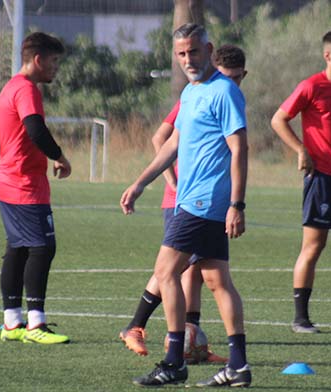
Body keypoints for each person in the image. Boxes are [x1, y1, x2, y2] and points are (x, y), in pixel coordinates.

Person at [120, 24, 251, 387]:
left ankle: (174, 361)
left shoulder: (224, 91)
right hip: (194, 200)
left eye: (193, 52)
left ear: (208, 50)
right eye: (180, 54)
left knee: (165, 273)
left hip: (203, 201)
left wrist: (236, 204)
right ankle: (238, 366)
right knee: (217, 281)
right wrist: (140, 182)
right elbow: (172, 144)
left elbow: (239, 148)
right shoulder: (192, 93)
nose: (187, 60)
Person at [270, 29, 331, 334]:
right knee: (314, 246)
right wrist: (301, 150)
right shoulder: (312, 86)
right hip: (321, 178)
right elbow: (278, 119)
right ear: (328, 56)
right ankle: (301, 318)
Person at [0, 31, 73, 344]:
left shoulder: (9, 87)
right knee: (42, 247)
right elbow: (35, 129)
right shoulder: (26, 89)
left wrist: (10, 160)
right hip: (24, 185)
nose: (55, 68)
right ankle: (36, 323)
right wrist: (60, 156)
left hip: (9, 180)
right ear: (37, 60)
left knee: (19, 248)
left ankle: (12, 323)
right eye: (53, 61)